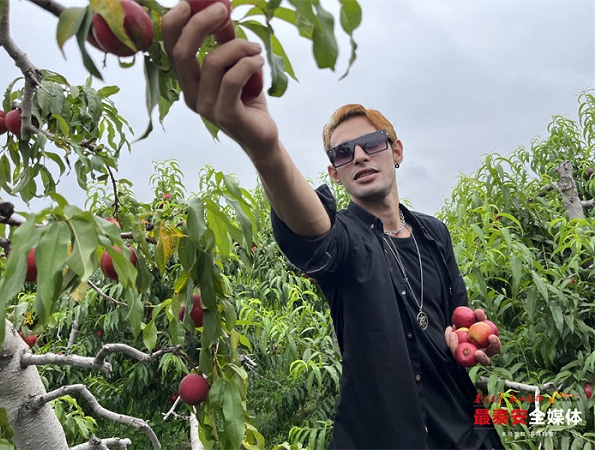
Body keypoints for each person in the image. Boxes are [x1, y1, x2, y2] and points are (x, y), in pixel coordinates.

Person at [162, 2, 504, 448]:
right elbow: (314, 231)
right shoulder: (346, 240)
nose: (359, 156)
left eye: (369, 144)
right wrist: (264, 148)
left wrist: (469, 341)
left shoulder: (434, 234)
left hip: (468, 433)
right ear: (334, 174)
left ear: (395, 151)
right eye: (343, 154)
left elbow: (456, 322)